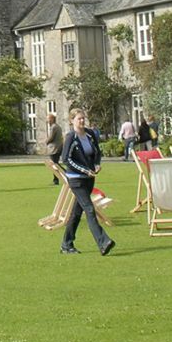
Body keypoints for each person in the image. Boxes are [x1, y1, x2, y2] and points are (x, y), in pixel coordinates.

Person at [57, 108, 115, 256]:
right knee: (89, 209)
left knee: (76, 213)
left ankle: (66, 244)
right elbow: (66, 159)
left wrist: (96, 164)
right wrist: (84, 170)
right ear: (72, 121)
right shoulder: (71, 137)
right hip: (76, 180)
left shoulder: (89, 134)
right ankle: (103, 242)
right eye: (79, 119)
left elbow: (97, 152)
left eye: (83, 118)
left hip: (89, 178)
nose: (82, 121)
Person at [42, 112, 63, 186]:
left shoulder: (54, 127)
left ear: (52, 119)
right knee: (55, 164)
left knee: (54, 165)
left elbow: (51, 137)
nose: (47, 121)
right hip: (57, 148)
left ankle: (60, 177)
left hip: (54, 149)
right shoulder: (57, 126)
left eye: (48, 119)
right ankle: (56, 179)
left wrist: (46, 141)